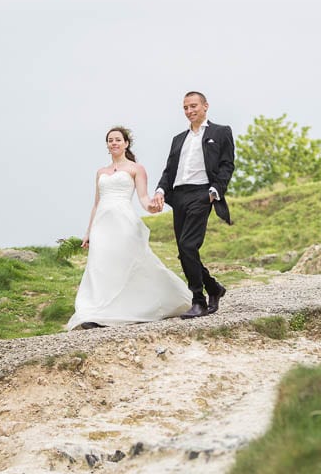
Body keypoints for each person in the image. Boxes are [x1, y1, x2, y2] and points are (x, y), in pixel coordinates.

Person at [65, 126, 191, 330]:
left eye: (117, 140)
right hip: (102, 225)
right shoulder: (100, 172)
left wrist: (152, 206)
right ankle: (97, 313)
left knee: (128, 262)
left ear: (126, 143)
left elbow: (142, 198)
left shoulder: (135, 168)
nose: (113, 143)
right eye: (110, 140)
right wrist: (88, 232)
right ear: (107, 145)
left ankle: (155, 300)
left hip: (124, 222)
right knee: (101, 266)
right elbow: (96, 203)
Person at [149, 91, 234, 319]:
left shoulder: (221, 132)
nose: (189, 111)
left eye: (193, 106)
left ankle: (199, 301)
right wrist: (160, 191)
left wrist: (214, 191)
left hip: (202, 193)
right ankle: (214, 288)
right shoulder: (178, 139)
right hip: (179, 196)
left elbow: (227, 165)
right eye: (185, 107)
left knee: (188, 246)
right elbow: (169, 170)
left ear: (205, 106)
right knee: (184, 251)